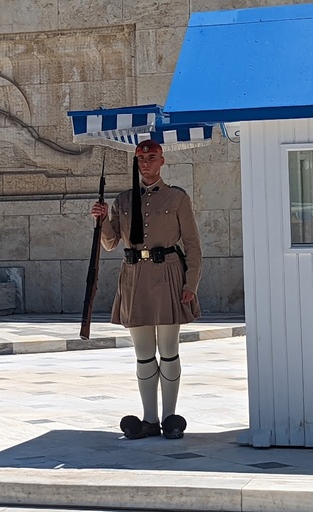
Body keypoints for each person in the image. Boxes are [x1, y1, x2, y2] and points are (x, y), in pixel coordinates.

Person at [91, 139, 203, 440]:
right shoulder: (123, 200)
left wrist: (191, 283)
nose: (145, 163)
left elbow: (192, 245)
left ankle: (170, 417)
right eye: (141, 158)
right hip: (134, 277)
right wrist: (102, 221)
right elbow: (110, 243)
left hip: (167, 274)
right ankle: (150, 419)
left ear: (162, 161)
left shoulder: (177, 198)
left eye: (152, 157)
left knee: (168, 350)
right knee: (143, 353)